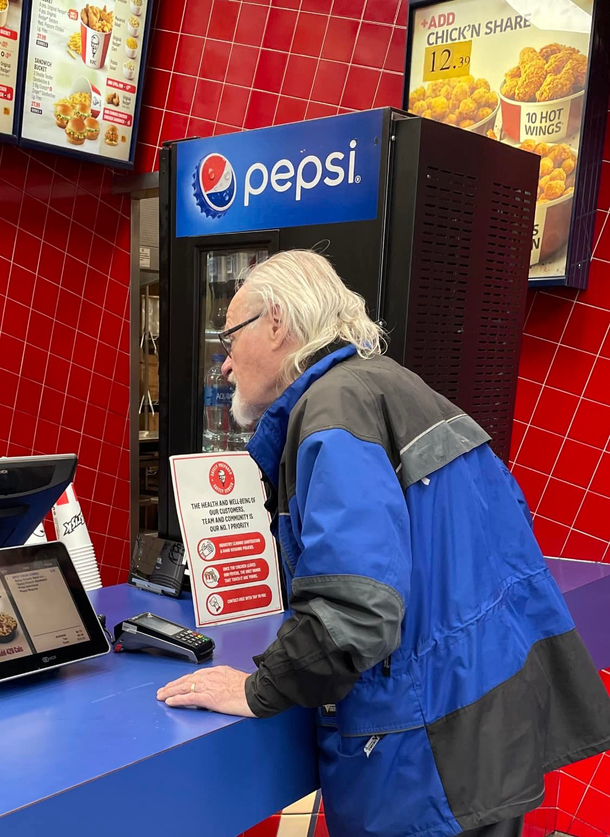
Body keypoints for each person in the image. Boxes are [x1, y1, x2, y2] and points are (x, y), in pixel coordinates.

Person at [157, 250, 610, 837]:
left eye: (230, 335)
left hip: (422, 755)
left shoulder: (333, 411)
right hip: (487, 720)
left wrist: (259, 688)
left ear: (276, 324)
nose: (224, 362)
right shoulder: (392, 385)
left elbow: (357, 609)